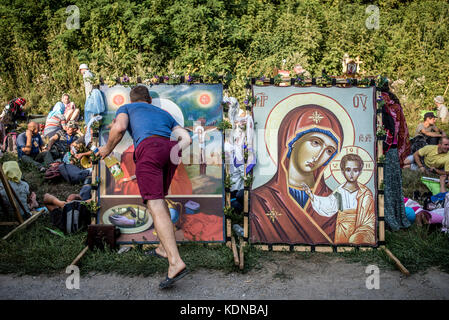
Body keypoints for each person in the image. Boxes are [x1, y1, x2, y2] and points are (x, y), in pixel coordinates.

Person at [97, 85, 191, 289]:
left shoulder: (127, 108)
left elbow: (120, 128)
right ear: (149, 100)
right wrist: (174, 149)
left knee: (154, 203)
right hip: (170, 150)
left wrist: (107, 148)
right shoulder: (164, 113)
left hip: (149, 150)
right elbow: (187, 139)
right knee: (160, 199)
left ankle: (175, 262)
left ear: (132, 100)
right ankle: (163, 249)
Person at [250, 105, 343, 245]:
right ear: (291, 141)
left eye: (329, 151)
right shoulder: (262, 200)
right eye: (315, 142)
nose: (319, 156)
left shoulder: (332, 200)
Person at [302, 154, 375, 245]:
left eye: (355, 170)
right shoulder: (340, 192)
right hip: (342, 230)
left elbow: (369, 218)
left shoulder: (365, 193)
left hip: (359, 228)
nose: (351, 174)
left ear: (360, 172)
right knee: (342, 245)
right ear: (342, 171)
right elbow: (330, 206)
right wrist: (311, 196)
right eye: (348, 170)